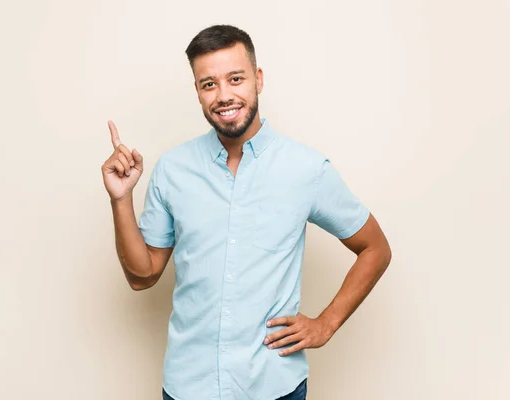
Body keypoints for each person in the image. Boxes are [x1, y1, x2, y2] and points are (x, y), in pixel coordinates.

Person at [101, 24, 392, 400]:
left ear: (258, 79)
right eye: (209, 84)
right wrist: (120, 198)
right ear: (198, 91)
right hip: (188, 387)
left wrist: (326, 324)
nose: (224, 96)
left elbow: (376, 248)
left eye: (235, 79)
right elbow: (143, 276)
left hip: (274, 386)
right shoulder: (173, 169)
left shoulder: (306, 169)